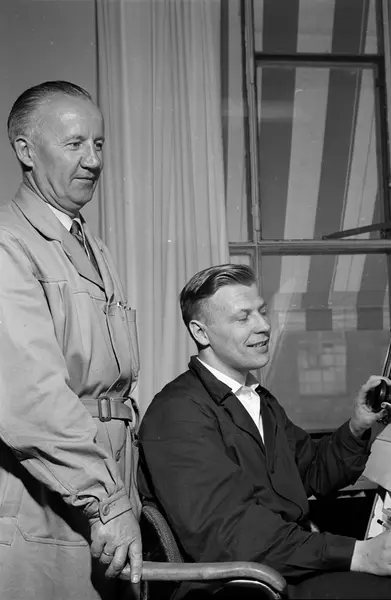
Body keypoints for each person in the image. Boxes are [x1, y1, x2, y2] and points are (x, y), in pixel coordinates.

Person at [138, 264, 391, 599]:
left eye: (262, 312)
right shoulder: (178, 414)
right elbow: (232, 536)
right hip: (247, 587)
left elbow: (313, 470)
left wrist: (357, 425)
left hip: (279, 564)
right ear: (201, 333)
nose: (263, 326)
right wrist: (359, 554)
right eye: (243, 317)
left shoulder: (256, 400)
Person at [0, 81, 142, 599]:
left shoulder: (92, 245)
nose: (94, 160)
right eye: (75, 143)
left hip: (102, 493)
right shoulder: (8, 245)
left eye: (98, 144)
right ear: (25, 150)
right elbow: (31, 398)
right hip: (52, 500)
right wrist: (107, 500)